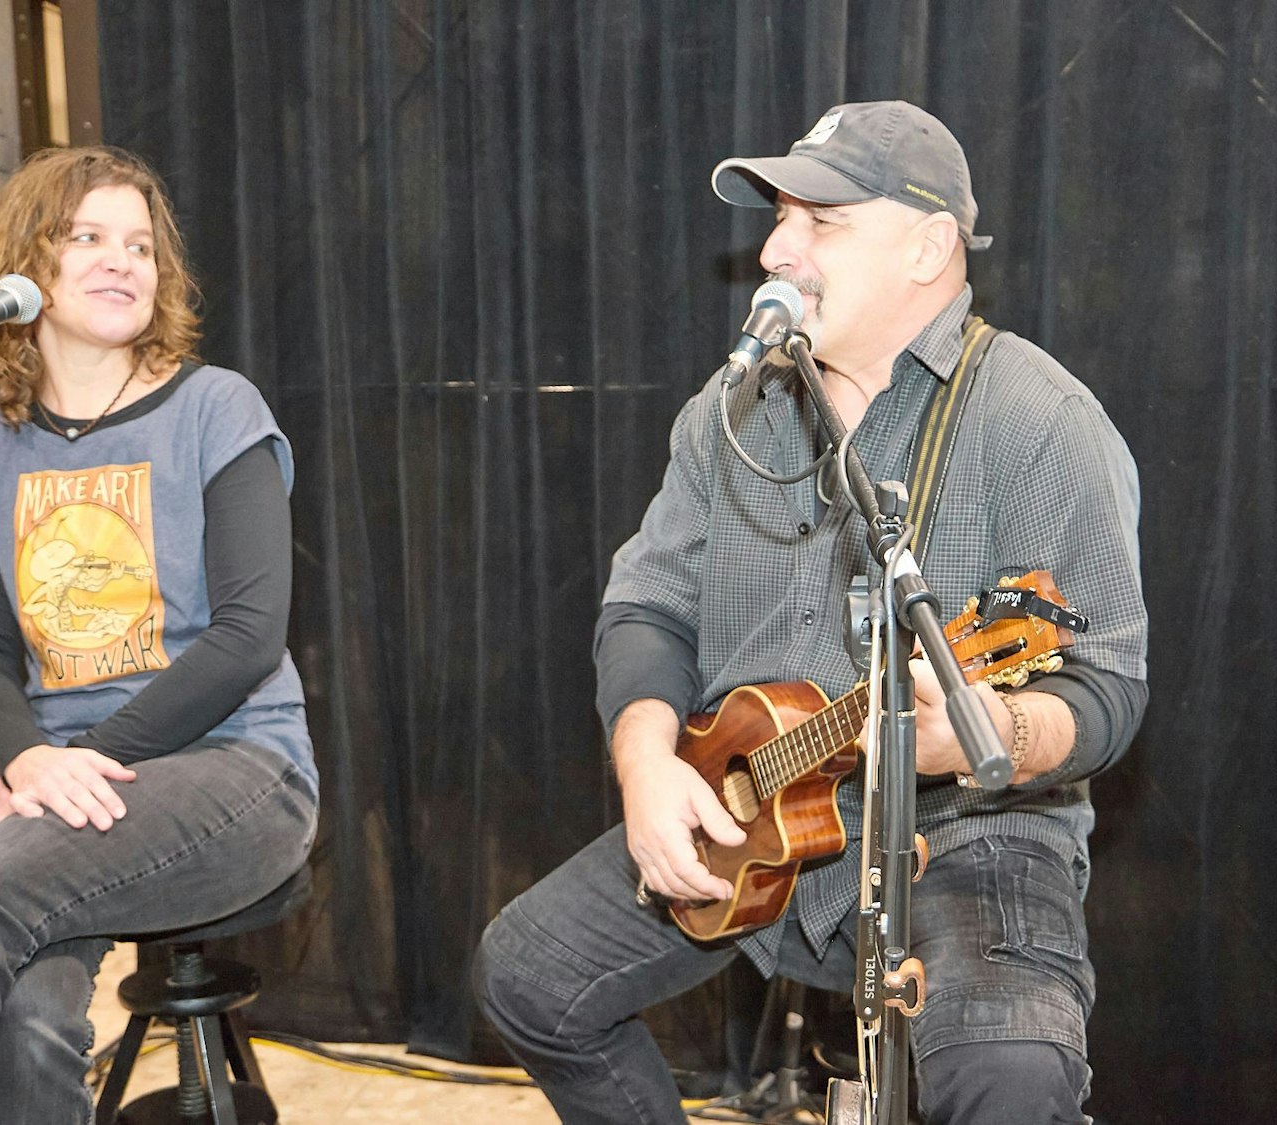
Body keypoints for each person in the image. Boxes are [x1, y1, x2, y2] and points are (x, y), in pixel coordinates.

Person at [477, 101, 1148, 1124]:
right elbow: (646, 605)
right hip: (742, 807)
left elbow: (1102, 690)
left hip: (964, 831)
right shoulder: (728, 410)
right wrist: (646, 765)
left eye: (820, 221)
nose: (776, 250)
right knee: (528, 977)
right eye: (778, 218)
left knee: (1009, 1074)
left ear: (928, 248)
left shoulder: (1037, 418)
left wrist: (988, 729)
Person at [0, 146, 318, 1122]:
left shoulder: (214, 407)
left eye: (141, 247)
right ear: (24, 266)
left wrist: (68, 767)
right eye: (87, 239)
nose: (123, 262)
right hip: (69, 792)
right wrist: (28, 755)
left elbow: (247, 635)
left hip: (237, 772)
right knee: (25, 1026)